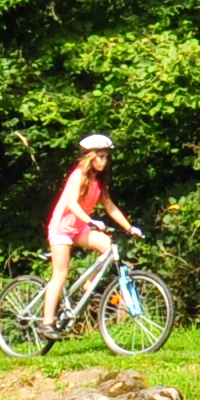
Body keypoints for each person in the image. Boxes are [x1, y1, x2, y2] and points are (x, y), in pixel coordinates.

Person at [36, 133, 138, 324]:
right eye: (100, 156)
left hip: (79, 228)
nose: (104, 161)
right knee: (61, 274)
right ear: (89, 156)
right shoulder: (78, 176)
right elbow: (72, 203)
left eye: (106, 156)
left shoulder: (97, 180)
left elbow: (109, 205)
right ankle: (47, 322)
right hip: (62, 230)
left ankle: (87, 286)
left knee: (109, 247)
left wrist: (129, 227)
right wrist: (91, 221)